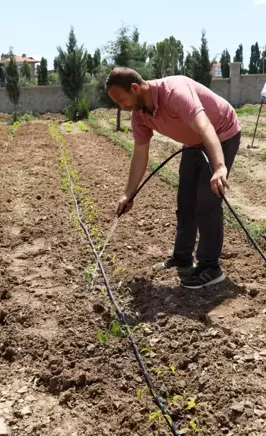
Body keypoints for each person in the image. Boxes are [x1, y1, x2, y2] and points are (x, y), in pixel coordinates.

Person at [106, 67, 241, 289]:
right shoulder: (139, 115)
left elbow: (206, 128)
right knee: (185, 201)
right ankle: (182, 257)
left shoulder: (175, 92)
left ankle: (210, 266)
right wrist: (127, 194)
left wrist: (218, 167)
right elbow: (140, 154)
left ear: (135, 88)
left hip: (222, 133)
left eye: (122, 100)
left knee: (207, 200)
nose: (122, 106)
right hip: (193, 142)